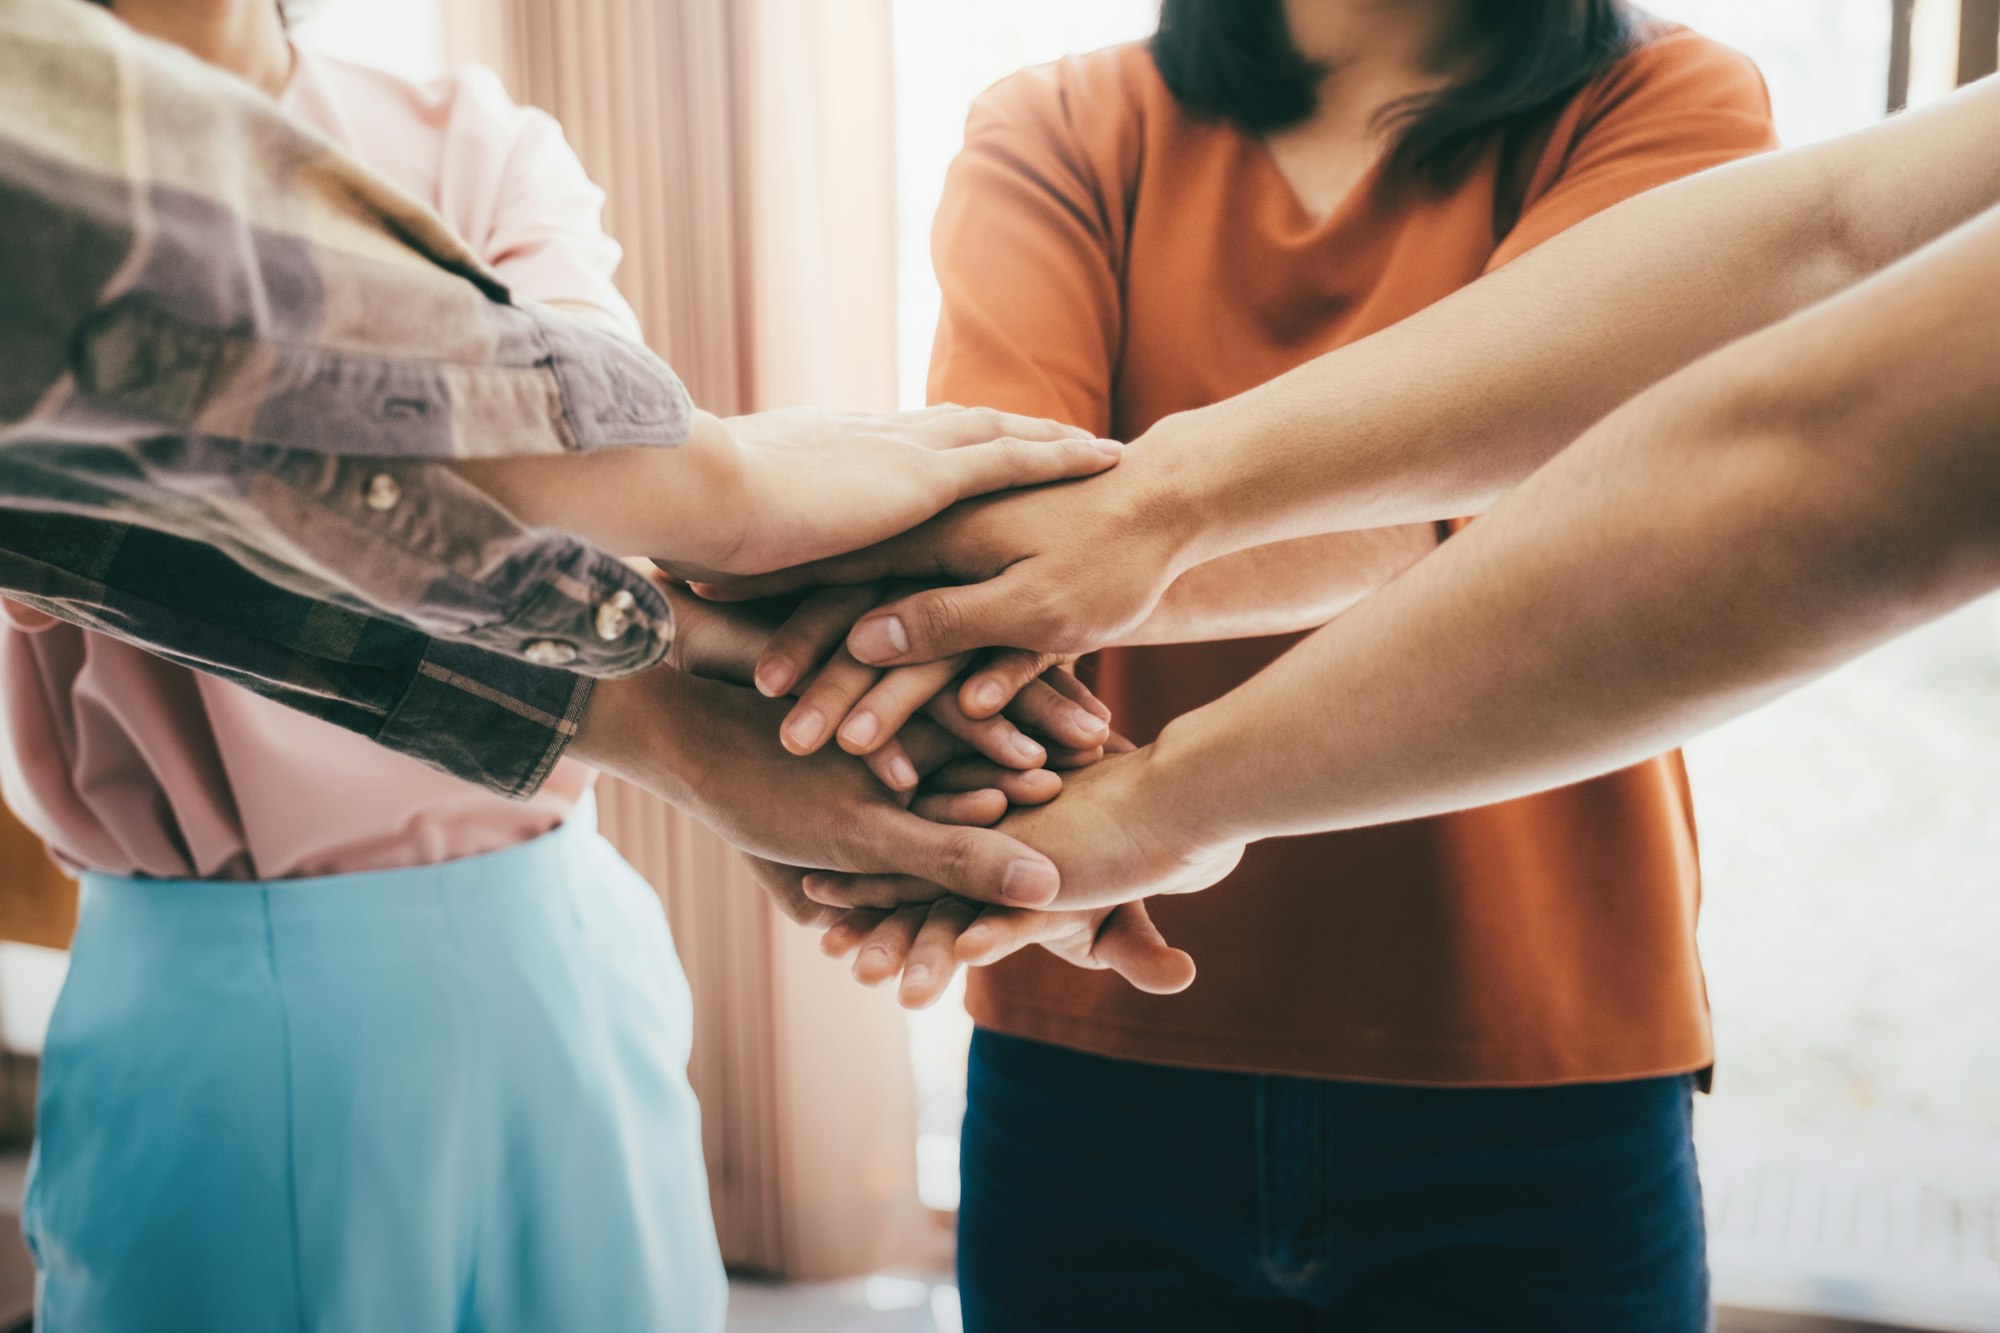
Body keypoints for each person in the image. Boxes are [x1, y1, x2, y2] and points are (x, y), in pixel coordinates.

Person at [730, 2, 1776, 1328]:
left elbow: (1580, 492)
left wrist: (1024, 583)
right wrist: (959, 603)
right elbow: (998, 515)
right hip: (1090, 1029)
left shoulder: (1663, 101)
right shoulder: (1061, 120)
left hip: (1529, 1048)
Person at [0, 0, 1116, 906]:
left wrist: (716, 669)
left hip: (544, 910)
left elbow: (593, 519)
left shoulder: (470, 137)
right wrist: (724, 500)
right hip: (194, 940)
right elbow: (625, 493)